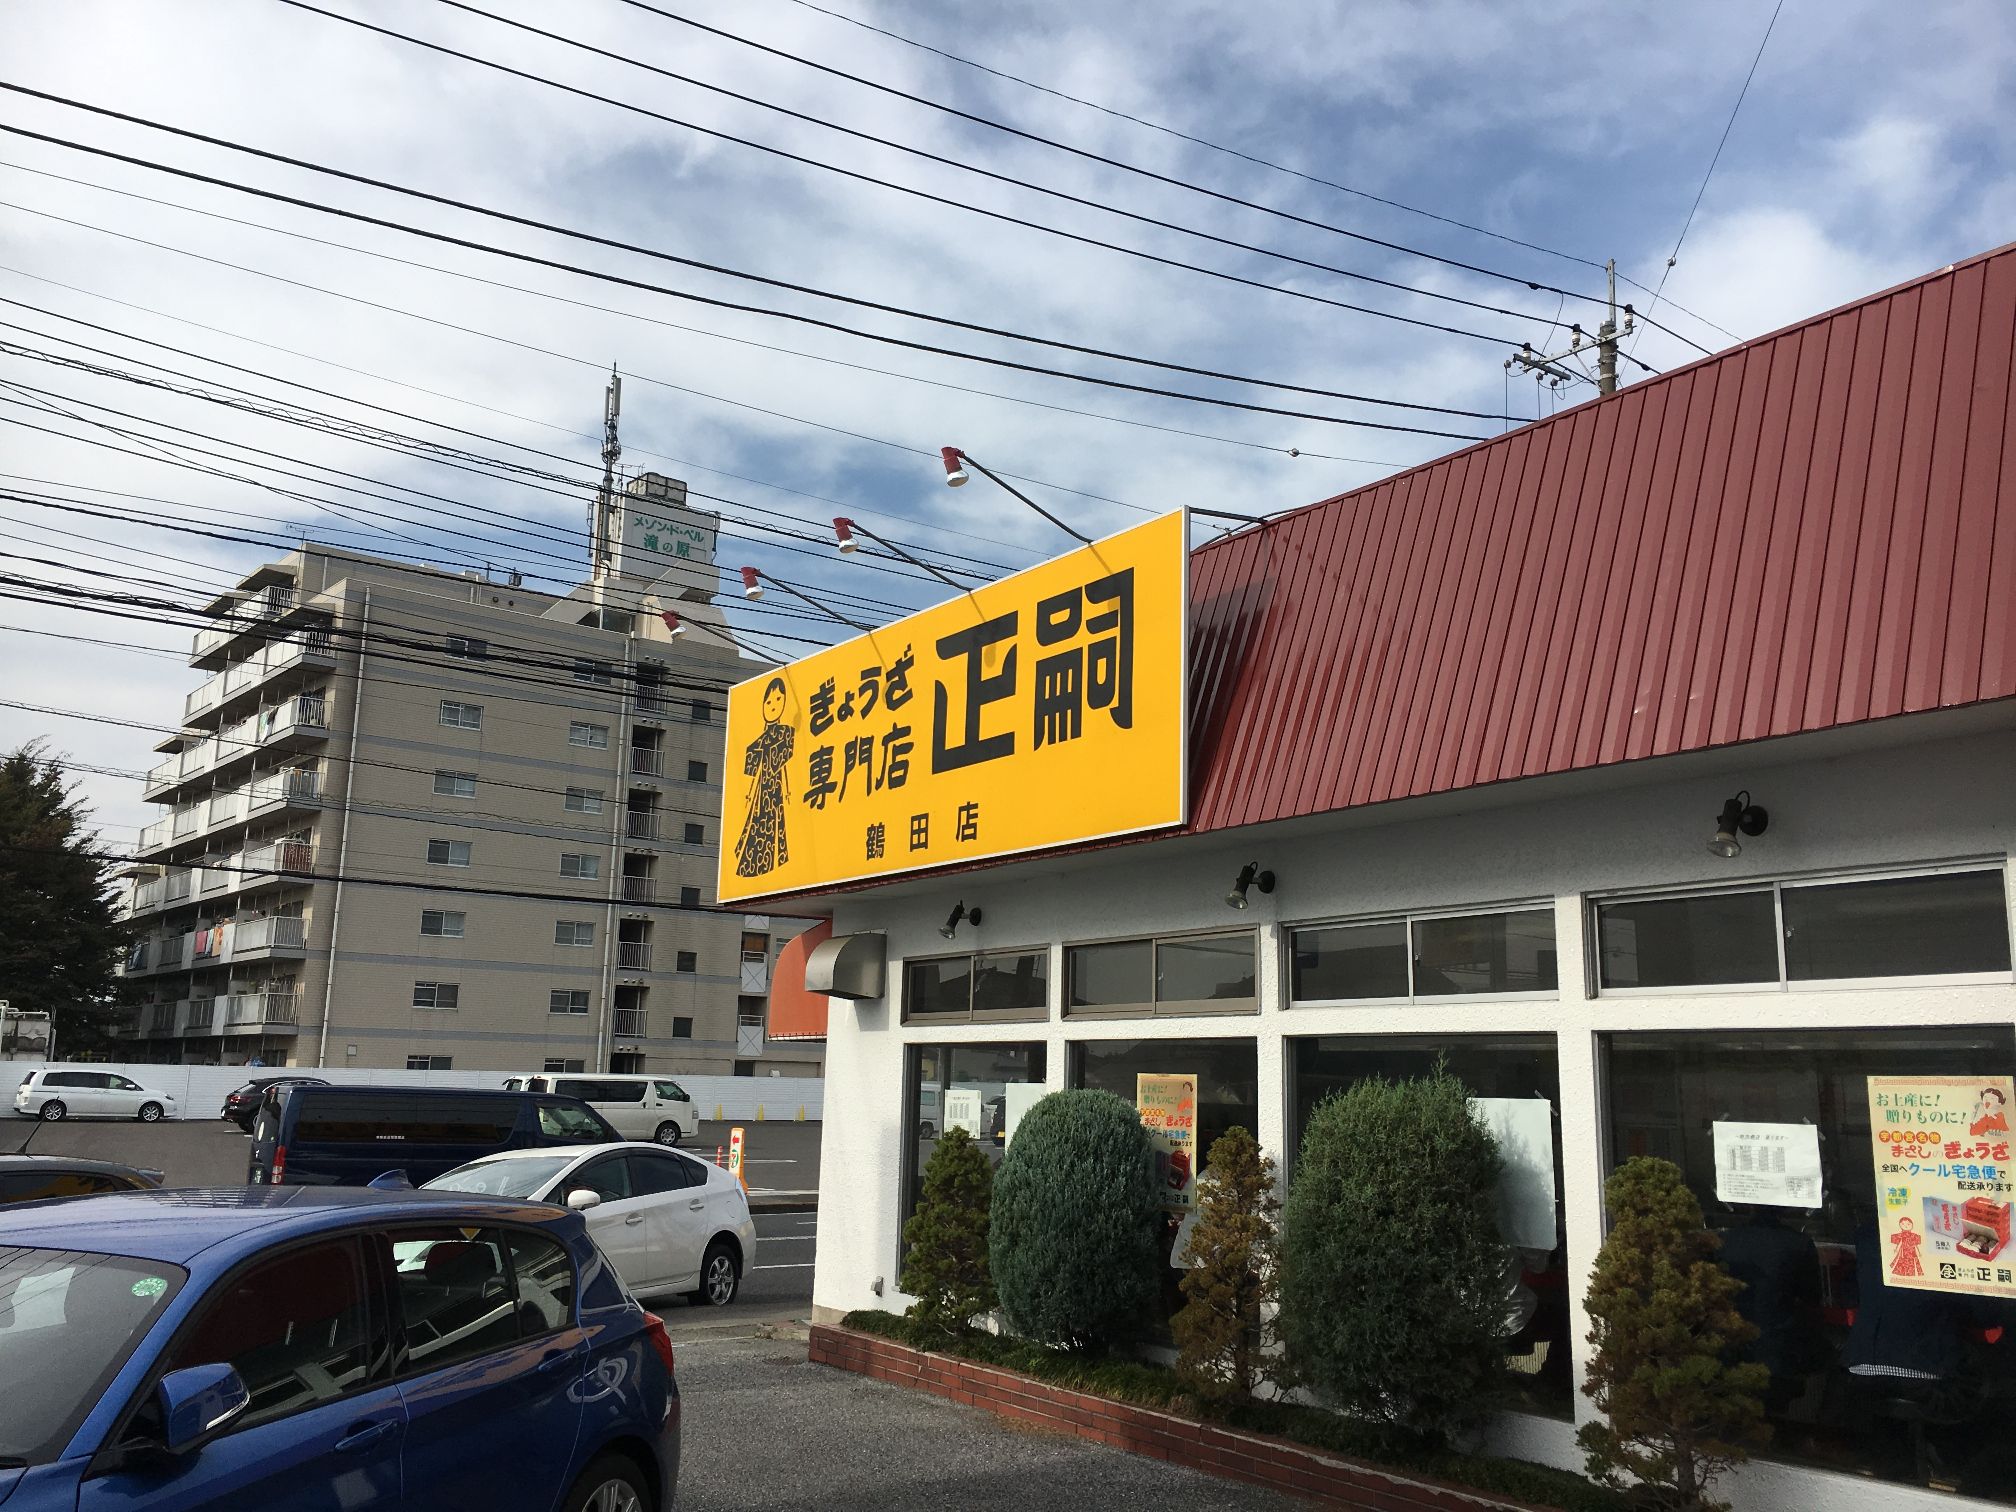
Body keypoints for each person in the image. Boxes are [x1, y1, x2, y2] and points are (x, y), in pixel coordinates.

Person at [1717, 1207, 1823, 1412]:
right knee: (1773, 1413)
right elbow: (1811, 1297)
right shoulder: (1798, 1243)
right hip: (1777, 1346)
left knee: (1731, 1413)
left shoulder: (1724, 1240)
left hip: (1730, 1344)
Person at [733, 677, 794, 878]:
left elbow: (785, 765)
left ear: (785, 702)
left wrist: (788, 790)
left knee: (776, 821)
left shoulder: (787, 733)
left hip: (775, 787)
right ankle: (753, 863)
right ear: (762, 706)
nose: (773, 705)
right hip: (761, 791)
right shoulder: (757, 742)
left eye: (778, 699)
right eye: (768, 701)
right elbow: (751, 773)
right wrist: (749, 794)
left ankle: (775, 859)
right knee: (757, 821)